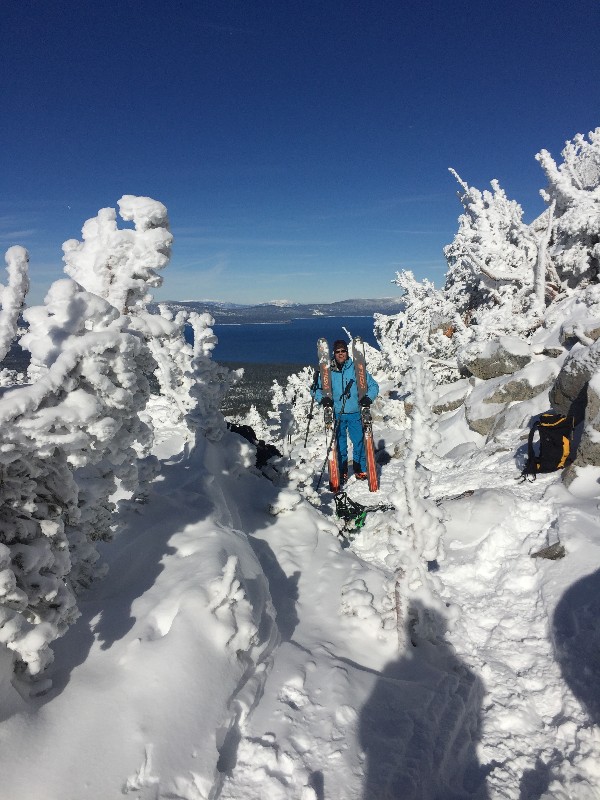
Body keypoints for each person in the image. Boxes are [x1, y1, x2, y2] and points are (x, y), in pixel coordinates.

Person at [312, 339, 379, 483]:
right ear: (334, 353)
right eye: (338, 351)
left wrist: (368, 398)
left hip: (355, 412)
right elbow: (315, 390)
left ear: (347, 352)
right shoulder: (328, 371)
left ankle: (359, 468)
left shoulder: (356, 369)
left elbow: (373, 386)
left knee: (359, 441)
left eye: (343, 351)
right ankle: (342, 470)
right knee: (340, 444)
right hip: (337, 414)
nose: (341, 354)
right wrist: (322, 399)